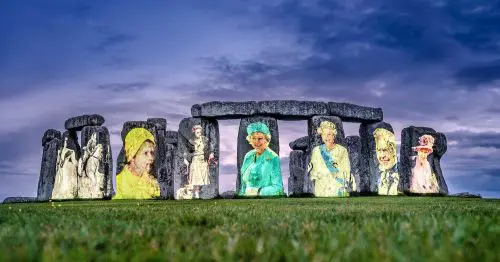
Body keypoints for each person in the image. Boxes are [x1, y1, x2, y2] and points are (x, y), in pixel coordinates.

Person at [307, 121, 355, 197]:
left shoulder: (342, 150)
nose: (326, 137)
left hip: (337, 184)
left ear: (334, 135)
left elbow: (346, 168)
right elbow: (313, 170)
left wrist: (344, 181)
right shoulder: (316, 150)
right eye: (324, 134)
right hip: (321, 186)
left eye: (329, 134)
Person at [113, 128, 160, 199]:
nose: (151, 158)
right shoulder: (121, 179)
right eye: (145, 153)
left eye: (152, 153)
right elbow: (129, 195)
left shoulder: (151, 179)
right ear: (132, 156)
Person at [239, 122, 284, 197]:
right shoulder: (248, 156)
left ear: (267, 139)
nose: (256, 142)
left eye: (260, 138)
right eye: (253, 138)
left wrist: (259, 192)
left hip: (261, 199)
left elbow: (278, 188)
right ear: (250, 139)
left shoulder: (273, 158)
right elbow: (243, 184)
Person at [182, 125, 216, 199]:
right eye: (197, 132)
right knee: (195, 178)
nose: (199, 134)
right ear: (194, 132)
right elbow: (186, 150)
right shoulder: (191, 141)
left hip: (203, 160)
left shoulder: (205, 139)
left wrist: (211, 153)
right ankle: (196, 194)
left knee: (203, 179)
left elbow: (211, 146)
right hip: (195, 160)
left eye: (200, 132)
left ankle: (197, 192)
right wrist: (185, 158)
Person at [78, 133, 105, 198]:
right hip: (88, 152)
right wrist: (90, 153)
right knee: (84, 158)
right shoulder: (90, 141)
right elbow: (87, 147)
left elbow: (95, 150)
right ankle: (82, 169)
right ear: (92, 135)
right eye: (94, 135)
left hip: (92, 153)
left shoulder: (96, 143)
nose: (95, 137)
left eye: (96, 136)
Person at [373, 128, 399, 195]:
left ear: (393, 150)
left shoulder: (404, 172)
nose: (381, 156)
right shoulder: (375, 173)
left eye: (385, 150)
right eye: (379, 150)